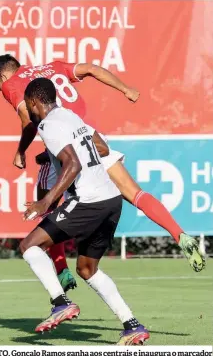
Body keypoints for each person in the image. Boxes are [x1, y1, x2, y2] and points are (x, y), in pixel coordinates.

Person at [0, 54, 205, 274]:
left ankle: (61, 270)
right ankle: (180, 235)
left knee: (45, 203)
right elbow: (92, 69)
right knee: (135, 194)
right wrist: (126, 89)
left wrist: (20, 151)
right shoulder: (52, 67)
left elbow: (28, 120)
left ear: (3, 75)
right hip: (91, 138)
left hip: (65, 144)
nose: (2, 91)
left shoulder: (11, 83)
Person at [21, 77, 149, 345]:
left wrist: (46, 202)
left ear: (34, 102)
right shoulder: (70, 116)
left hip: (88, 200)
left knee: (30, 246)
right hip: (111, 199)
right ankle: (132, 325)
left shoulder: (48, 124)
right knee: (88, 269)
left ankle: (60, 302)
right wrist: (55, 155)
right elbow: (101, 147)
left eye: (28, 105)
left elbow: (73, 164)